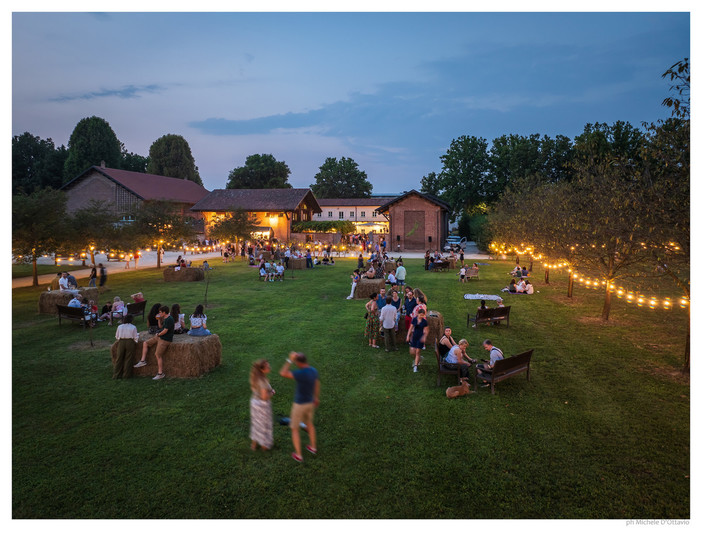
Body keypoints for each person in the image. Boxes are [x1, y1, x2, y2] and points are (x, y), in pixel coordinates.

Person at [279, 352, 320, 463]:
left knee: (295, 428)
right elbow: (317, 384)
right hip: (310, 403)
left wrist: (289, 360)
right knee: (310, 424)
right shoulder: (313, 371)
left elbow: (283, 373)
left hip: (299, 405)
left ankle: (298, 455)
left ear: (298, 362)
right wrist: (316, 397)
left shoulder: (300, 374)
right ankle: (313, 448)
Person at [135, 305, 174, 380]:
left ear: (164, 312)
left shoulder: (169, 319)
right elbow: (160, 327)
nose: (159, 313)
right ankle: (142, 361)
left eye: (160, 312)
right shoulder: (165, 318)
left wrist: (158, 334)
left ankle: (160, 373)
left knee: (157, 355)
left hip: (165, 339)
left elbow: (165, 331)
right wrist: (159, 319)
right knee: (145, 343)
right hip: (160, 336)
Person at [249, 359, 274, 451]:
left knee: (256, 423)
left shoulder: (255, 377)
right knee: (264, 424)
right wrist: (272, 393)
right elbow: (264, 397)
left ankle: (254, 445)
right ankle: (264, 446)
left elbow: (255, 391)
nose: (269, 367)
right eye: (267, 366)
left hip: (254, 402)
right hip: (262, 405)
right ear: (262, 370)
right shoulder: (263, 381)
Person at [113, 314, 138, 379]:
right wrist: (135, 342)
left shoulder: (120, 326)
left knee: (119, 358)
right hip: (130, 342)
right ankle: (126, 375)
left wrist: (120, 339)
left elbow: (117, 336)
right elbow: (135, 337)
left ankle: (116, 375)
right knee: (128, 358)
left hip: (121, 341)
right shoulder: (133, 327)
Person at [407, 308, 428, 373]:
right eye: (420, 315)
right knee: (412, 352)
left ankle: (415, 366)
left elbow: (426, 330)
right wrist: (408, 336)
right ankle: (419, 358)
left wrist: (424, 337)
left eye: (422, 315)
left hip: (420, 338)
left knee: (417, 352)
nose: (421, 316)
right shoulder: (414, 319)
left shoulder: (424, 322)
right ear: (418, 314)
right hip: (414, 337)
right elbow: (410, 328)